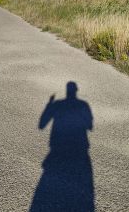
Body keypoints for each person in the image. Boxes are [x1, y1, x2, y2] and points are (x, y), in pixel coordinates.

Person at [30, 82, 94, 212]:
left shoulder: (57, 105)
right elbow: (90, 126)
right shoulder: (83, 105)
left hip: (57, 148)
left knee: (52, 187)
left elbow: (41, 125)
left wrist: (49, 106)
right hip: (80, 147)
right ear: (76, 90)